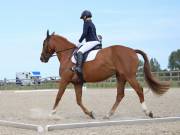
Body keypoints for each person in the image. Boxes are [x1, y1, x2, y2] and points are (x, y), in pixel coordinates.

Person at [75, 10, 100, 74]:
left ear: (85, 16)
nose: (82, 19)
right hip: (96, 42)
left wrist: (79, 41)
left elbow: (84, 34)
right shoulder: (92, 23)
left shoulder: (86, 23)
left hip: (91, 42)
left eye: (83, 17)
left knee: (79, 51)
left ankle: (79, 68)